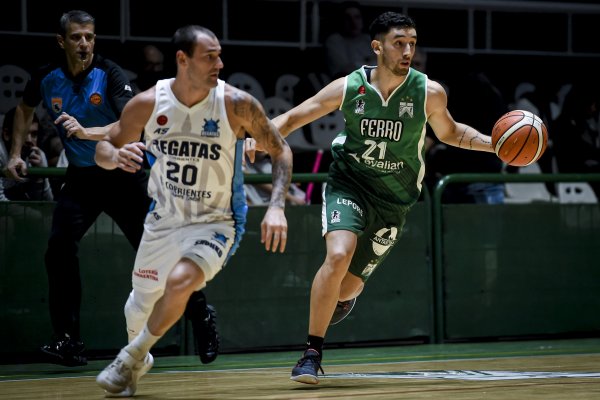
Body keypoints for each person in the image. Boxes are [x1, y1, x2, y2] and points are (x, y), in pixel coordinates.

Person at [252, 11, 499, 384]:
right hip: (349, 182)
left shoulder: (428, 91)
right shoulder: (349, 87)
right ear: (377, 46)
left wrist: (494, 145)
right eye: (399, 43)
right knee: (337, 255)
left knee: (348, 285)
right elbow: (294, 117)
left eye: (412, 43)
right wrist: (258, 139)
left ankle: (344, 297)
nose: (407, 51)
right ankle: (311, 354)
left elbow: (450, 132)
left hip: (394, 200)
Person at [6, 10, 218, 368]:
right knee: (58, 248)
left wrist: (86, 133)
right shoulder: (45, 76)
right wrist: (14, 154)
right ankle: (69, 341)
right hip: (82, 180)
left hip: (124, 176)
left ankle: (200, 314)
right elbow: (24, 108)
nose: (84, 44)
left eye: (89, 36)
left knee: (161, 255)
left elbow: (129, 123)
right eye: (76, 37)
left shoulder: (110, 74)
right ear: (62, 42)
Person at [94, 25, 292, 397]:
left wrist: (277, 205)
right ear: (182, 60)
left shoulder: (237, 103)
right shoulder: (149, 103)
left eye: (219, 54)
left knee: (181, 282)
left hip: (216, 222)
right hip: (163, 221)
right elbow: (105, 145)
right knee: (138, 307)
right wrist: (115, 156)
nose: (219, 63)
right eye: (209, 56)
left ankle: (128, 357)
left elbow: (281, 150)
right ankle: (138, 356)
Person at [1, 107, 53, 201]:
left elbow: (47, 202)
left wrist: (40, 179)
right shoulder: (1, 152)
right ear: (7, 134)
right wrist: (34, 214)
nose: (29, 140)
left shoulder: (37, 156)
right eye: (23, 134)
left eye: (34, 134)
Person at [323, 1, 376, 79]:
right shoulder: (334, 41)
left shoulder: (369, 39)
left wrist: (358, 64)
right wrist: (369, 62)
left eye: (357, 17)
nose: (353, 22)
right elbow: (345, 71)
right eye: (348, 18)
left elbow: (385, 64)